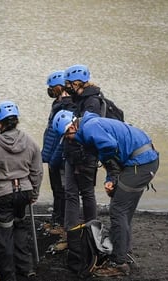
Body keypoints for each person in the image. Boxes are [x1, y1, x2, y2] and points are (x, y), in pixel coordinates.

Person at [53, 110, 159, 277]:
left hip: (141, 162)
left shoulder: (89, 128)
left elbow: (109, 147)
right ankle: (123, 252)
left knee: (118, 210)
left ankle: (119, 263)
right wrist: (111, 179)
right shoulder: (89, 127)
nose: (68, 139)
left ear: (72, 126)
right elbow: (111, 158)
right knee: (124, 210)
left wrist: (112, 171)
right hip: (143, 161)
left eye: (67, 135)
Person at [0, 101, 43, 281]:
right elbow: (37, 171)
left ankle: (7, 274)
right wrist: (34, 193)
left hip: (1, 195)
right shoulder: (31, 142)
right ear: (16, 121)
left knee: (3, 233)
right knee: (20, 226)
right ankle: (26, 267)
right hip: (24, 192)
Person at [62, 64, 103, 230]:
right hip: (72, 152)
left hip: (86, 155)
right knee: (70, 193)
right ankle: (71, 232)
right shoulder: (79, 99)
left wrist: (67, 104)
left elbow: (86, 128)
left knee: (86, 193)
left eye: (69, 83)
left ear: (78, 83)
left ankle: (92, 232)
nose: (67, 87)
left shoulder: (92, 102)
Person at [41, 70, 76, 238]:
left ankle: (62, 223)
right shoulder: (57, 103)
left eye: (52, 87)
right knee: (56, 189)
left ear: (60, 87)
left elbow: (62, 135)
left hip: (60, 155)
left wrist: (55, 155)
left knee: (62, 190)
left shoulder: (68, 105)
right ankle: (56, 219)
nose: (50, 90)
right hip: (52, 153)